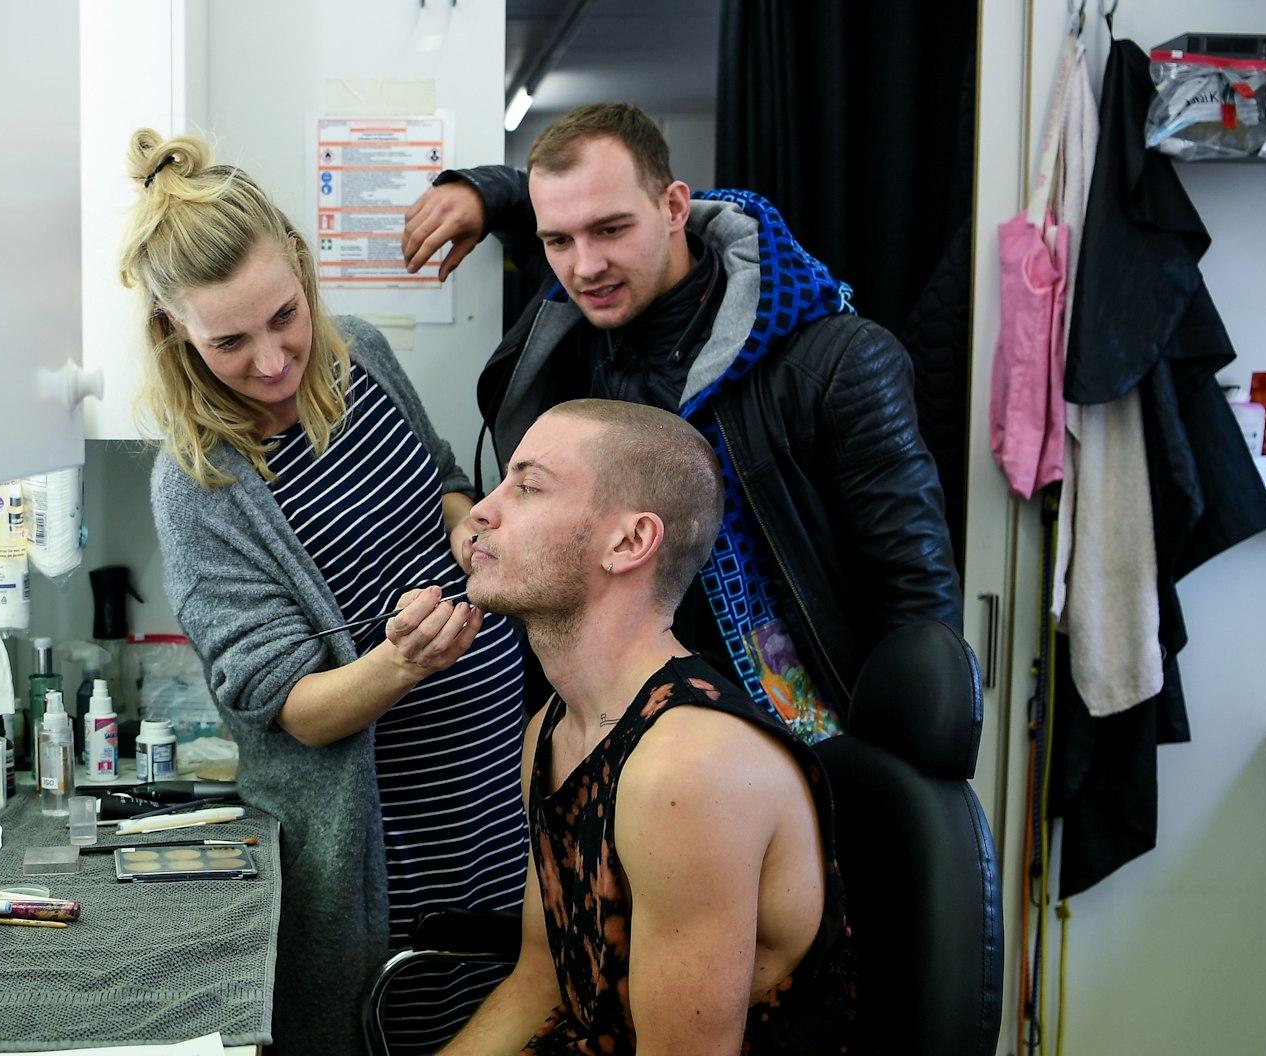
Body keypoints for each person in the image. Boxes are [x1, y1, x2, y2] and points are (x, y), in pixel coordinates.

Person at [118, 129, 528, 1056]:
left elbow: (437, 477)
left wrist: (466, 520)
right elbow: (294, 711)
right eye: (228, 340)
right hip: (390, 843)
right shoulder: (200, 485)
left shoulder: (365, 356)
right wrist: (399, 662)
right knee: (419, 1024)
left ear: (303, 271)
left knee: (522, 997)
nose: (270, 361)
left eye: (284, 315)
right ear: (174, 335)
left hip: (494, 786)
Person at [403, 102, 960, 741]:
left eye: (610, 230)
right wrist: (482, 191)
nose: (585, 267)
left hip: (790, 726)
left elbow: (916, 590)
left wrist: (912, 781)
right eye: (558, 240)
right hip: (602, 721)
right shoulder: (565, 344)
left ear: (673, 208)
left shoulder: (834, 359)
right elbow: (560, 199)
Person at [440, 398, 855, 1055]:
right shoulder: (554, 727)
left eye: (528, 487)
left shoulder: (686, 771)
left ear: (629, 543)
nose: (482, 512)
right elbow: (542, 982)